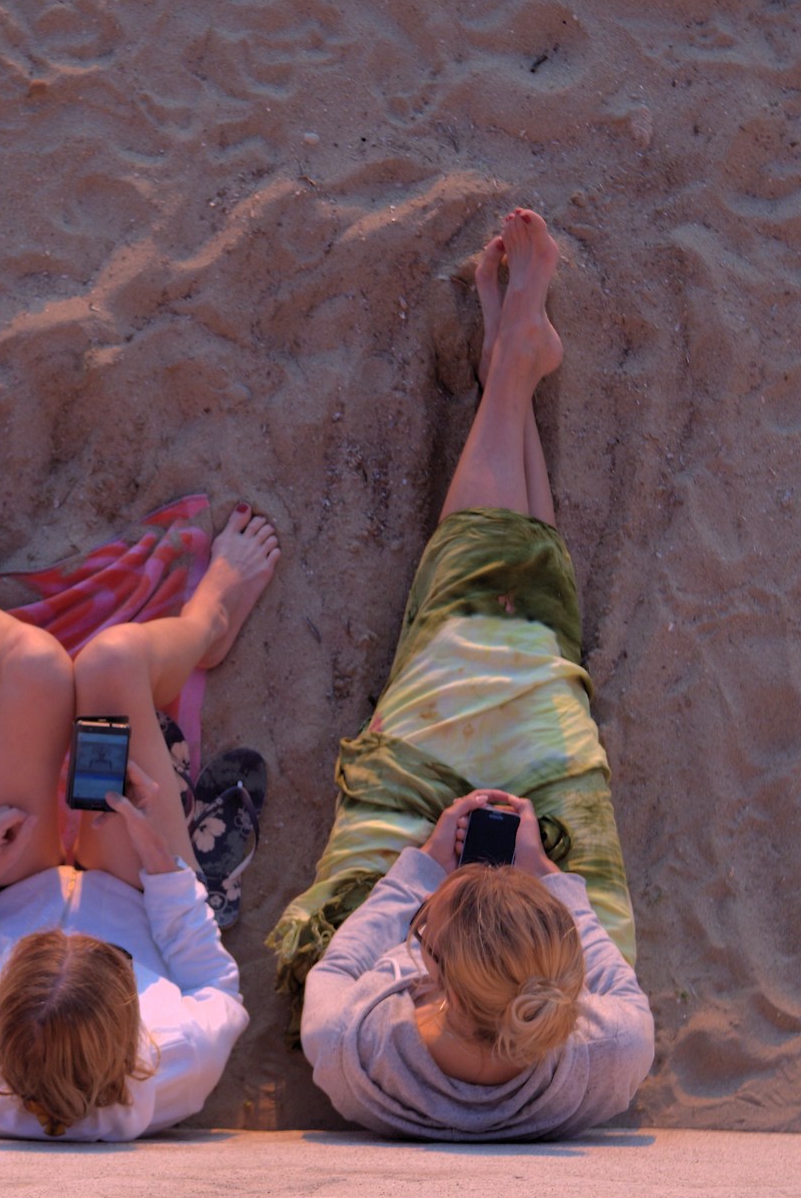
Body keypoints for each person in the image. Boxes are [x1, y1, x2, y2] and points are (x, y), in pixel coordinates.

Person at [274, 208, 654, 1140]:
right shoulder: (596, 1054)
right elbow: (617, 991)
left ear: (425, 968)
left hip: (446, 882)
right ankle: (513, 371)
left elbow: (333, 970)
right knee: (512, 641)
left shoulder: (366, 1043)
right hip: (518, 915)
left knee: (492, 639)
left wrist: (420, 868)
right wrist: (540, 887)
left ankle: (513, 371)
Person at [0, 478, 280, 1140]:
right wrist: (163, 867)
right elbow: (215, 987)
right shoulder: (176, 1061)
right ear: (133, 1029)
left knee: (36, 668)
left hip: (0, 890)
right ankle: (209, 625)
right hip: (134, 889)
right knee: (112, 658)